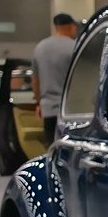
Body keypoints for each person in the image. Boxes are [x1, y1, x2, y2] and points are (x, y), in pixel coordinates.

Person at [32, 13, 78, 147]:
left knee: (51, 149)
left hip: (48, 110)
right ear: (71, 26)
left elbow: (35, 81)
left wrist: (39, 102)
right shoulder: (75, 47)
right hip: (71, 111)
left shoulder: (40, 47)